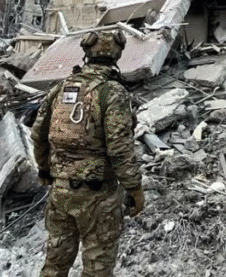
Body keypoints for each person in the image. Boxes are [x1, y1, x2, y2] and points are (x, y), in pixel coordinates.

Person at [32, 29, 145, 277]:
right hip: (98, 196)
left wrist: (44, 170)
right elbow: (119, 148)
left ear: (86, 54)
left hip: (61, 192)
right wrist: (134, 187)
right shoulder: (112, 92)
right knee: (97, 269)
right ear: (117, 55)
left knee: (54, 265)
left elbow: (39, 134)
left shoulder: (60, 89)